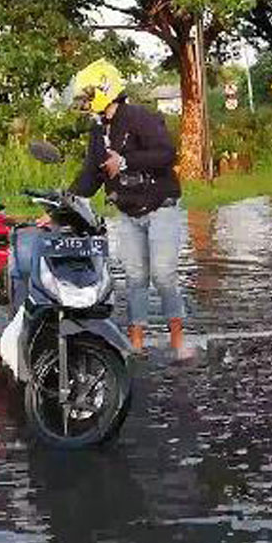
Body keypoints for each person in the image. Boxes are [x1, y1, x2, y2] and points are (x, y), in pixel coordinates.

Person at [64, 71, 185, 353]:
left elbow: (167, 154)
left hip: (161, 206)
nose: (84, 102)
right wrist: (63, 208)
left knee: (163, 274)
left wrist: (127, 161)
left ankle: (178, 340)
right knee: (135, 277)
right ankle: (136, 342)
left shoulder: (140, 117)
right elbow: (91, 175)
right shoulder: (98, 130)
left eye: (88, 95)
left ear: (106, 91)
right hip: (128, 212)